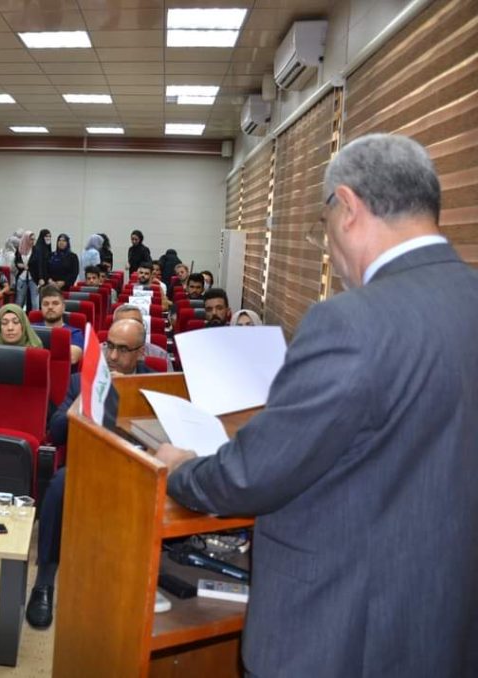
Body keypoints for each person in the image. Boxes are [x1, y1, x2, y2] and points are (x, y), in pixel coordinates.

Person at [157, 134, 478, 678]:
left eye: (324, 227)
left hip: (341, 634)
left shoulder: (350, 321)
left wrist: (181, 469)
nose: (327, 247)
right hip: (446, 621)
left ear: (347, 207)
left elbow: (253, 475)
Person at [26, 318, 153, 629]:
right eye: (109, 346)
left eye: (123, 350)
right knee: (59, 484)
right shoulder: (81, 380)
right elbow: (55, 432)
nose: (113, 357)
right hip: (91, 466)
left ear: (140, 352)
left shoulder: (155, 383)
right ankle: (44, 581)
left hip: (141, 468)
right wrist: (86, 396)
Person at [112, 304, 172, 370]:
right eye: (124, 324)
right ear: (113, 327)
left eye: (136, 323)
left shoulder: (160, 355)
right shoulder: (103, 355)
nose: (129, 328)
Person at [32, 285, 82, 363]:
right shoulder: (31, 329)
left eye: (55, 303)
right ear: (41, 307)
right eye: (46, 304)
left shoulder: (74, 332)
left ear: (63, 307)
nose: (50, 307)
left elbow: (72, 357)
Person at [14, 230, 39, 311]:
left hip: (33, 278)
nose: (33, 241)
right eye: (31, 239)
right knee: (19, 300)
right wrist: (20, 265)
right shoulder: (19, 249)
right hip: (22, 277)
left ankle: (35, 317)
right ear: (26, 239)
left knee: (35, 301)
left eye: (34, 239)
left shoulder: (36, 250)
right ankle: (17, 316)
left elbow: (39, 264)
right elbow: (16, 261)